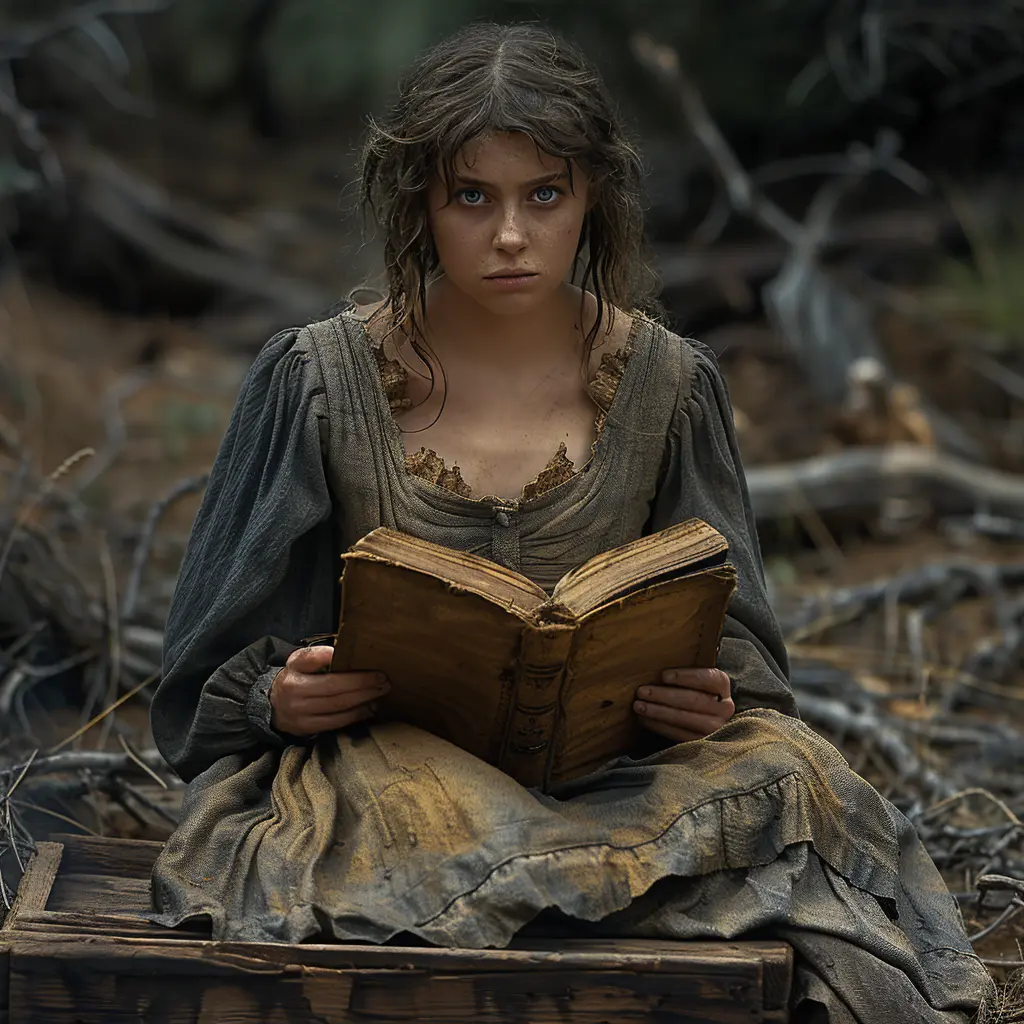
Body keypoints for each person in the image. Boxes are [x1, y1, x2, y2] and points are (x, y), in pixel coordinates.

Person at [149, 22, 992, 1023]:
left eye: (543, 194)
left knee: (803, 776)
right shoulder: (318, 378)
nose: (510, 233)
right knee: (395, 821)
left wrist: (712, 702)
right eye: (474, 195)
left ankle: (556, 888)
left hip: (626, 775)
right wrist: (279, 702)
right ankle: (598, 895)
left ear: (591, 197)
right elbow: (205, 671)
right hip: (403, 781)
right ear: (419, 199)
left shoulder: (669, 383)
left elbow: (746, 657)